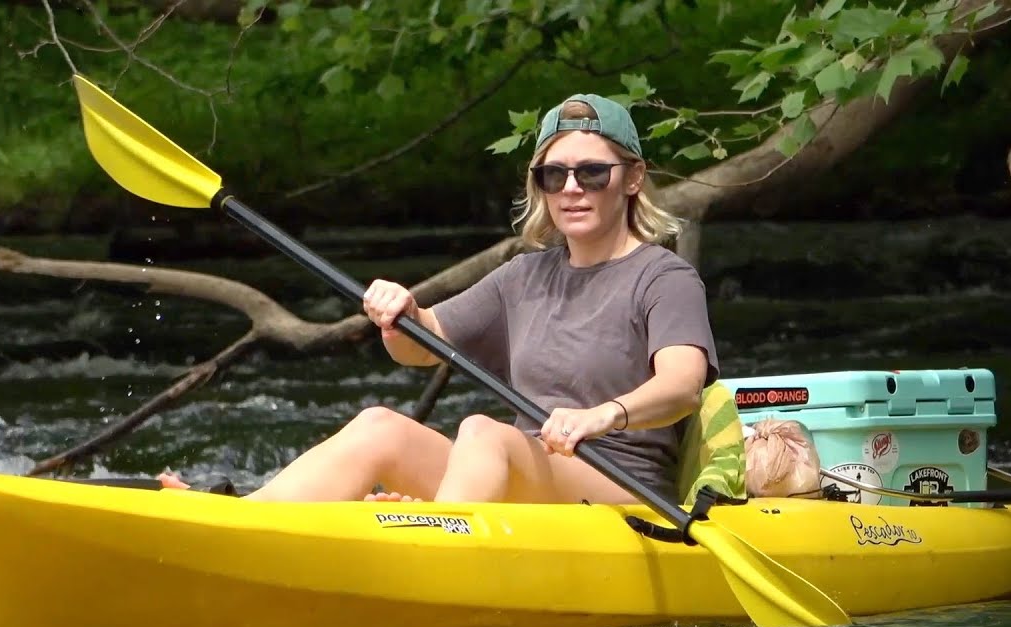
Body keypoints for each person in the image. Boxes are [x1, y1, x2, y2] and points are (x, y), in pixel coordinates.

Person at [160, 92, 719, 504]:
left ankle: (434, 541)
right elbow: (421, 348)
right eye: (554, 176)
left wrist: (602, 417)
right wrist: (401, 316)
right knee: (381, 424)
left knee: (481, 431)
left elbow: (681, 387)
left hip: (623, 491)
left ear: (632, 178)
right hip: (523, 478)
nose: (571, 189)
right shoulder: (523, 276)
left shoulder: (663, 277)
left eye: (593, 172)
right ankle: (245, 517)